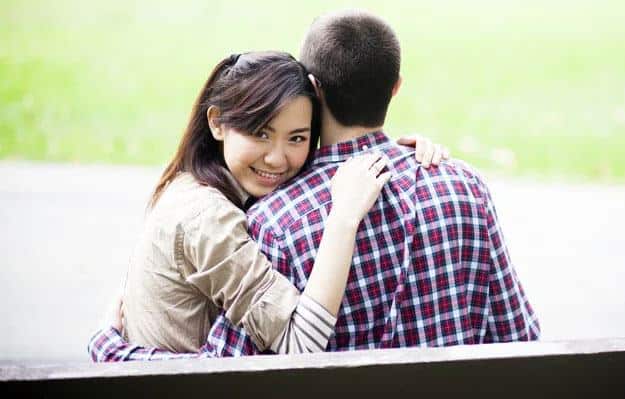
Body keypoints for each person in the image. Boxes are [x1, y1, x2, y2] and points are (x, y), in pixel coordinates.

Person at [91, 9, 537, 360]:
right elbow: (521, 338)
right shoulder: (466, 187)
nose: (276, 155)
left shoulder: (273, 223)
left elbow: (224, 373)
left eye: (292, 136)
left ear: (311, 89)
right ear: (395, 88)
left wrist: (117, 349)